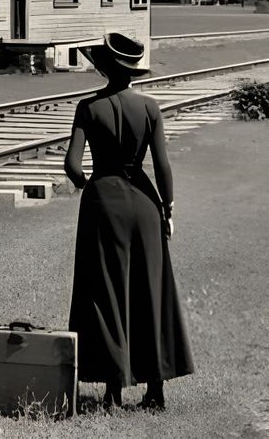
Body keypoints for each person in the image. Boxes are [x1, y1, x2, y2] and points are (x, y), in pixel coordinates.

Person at [64, 32, 194, 410]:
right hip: (145, 205)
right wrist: (167, 209)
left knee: (105, 293)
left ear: (103, 68)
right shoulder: (150, 107)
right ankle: (155, 390)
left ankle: (112, 391)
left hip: (103, 203)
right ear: (133, 71)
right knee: (150, 291)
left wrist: (89, 185)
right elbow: (163, 166)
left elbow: (72, 165)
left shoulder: (88, 108)